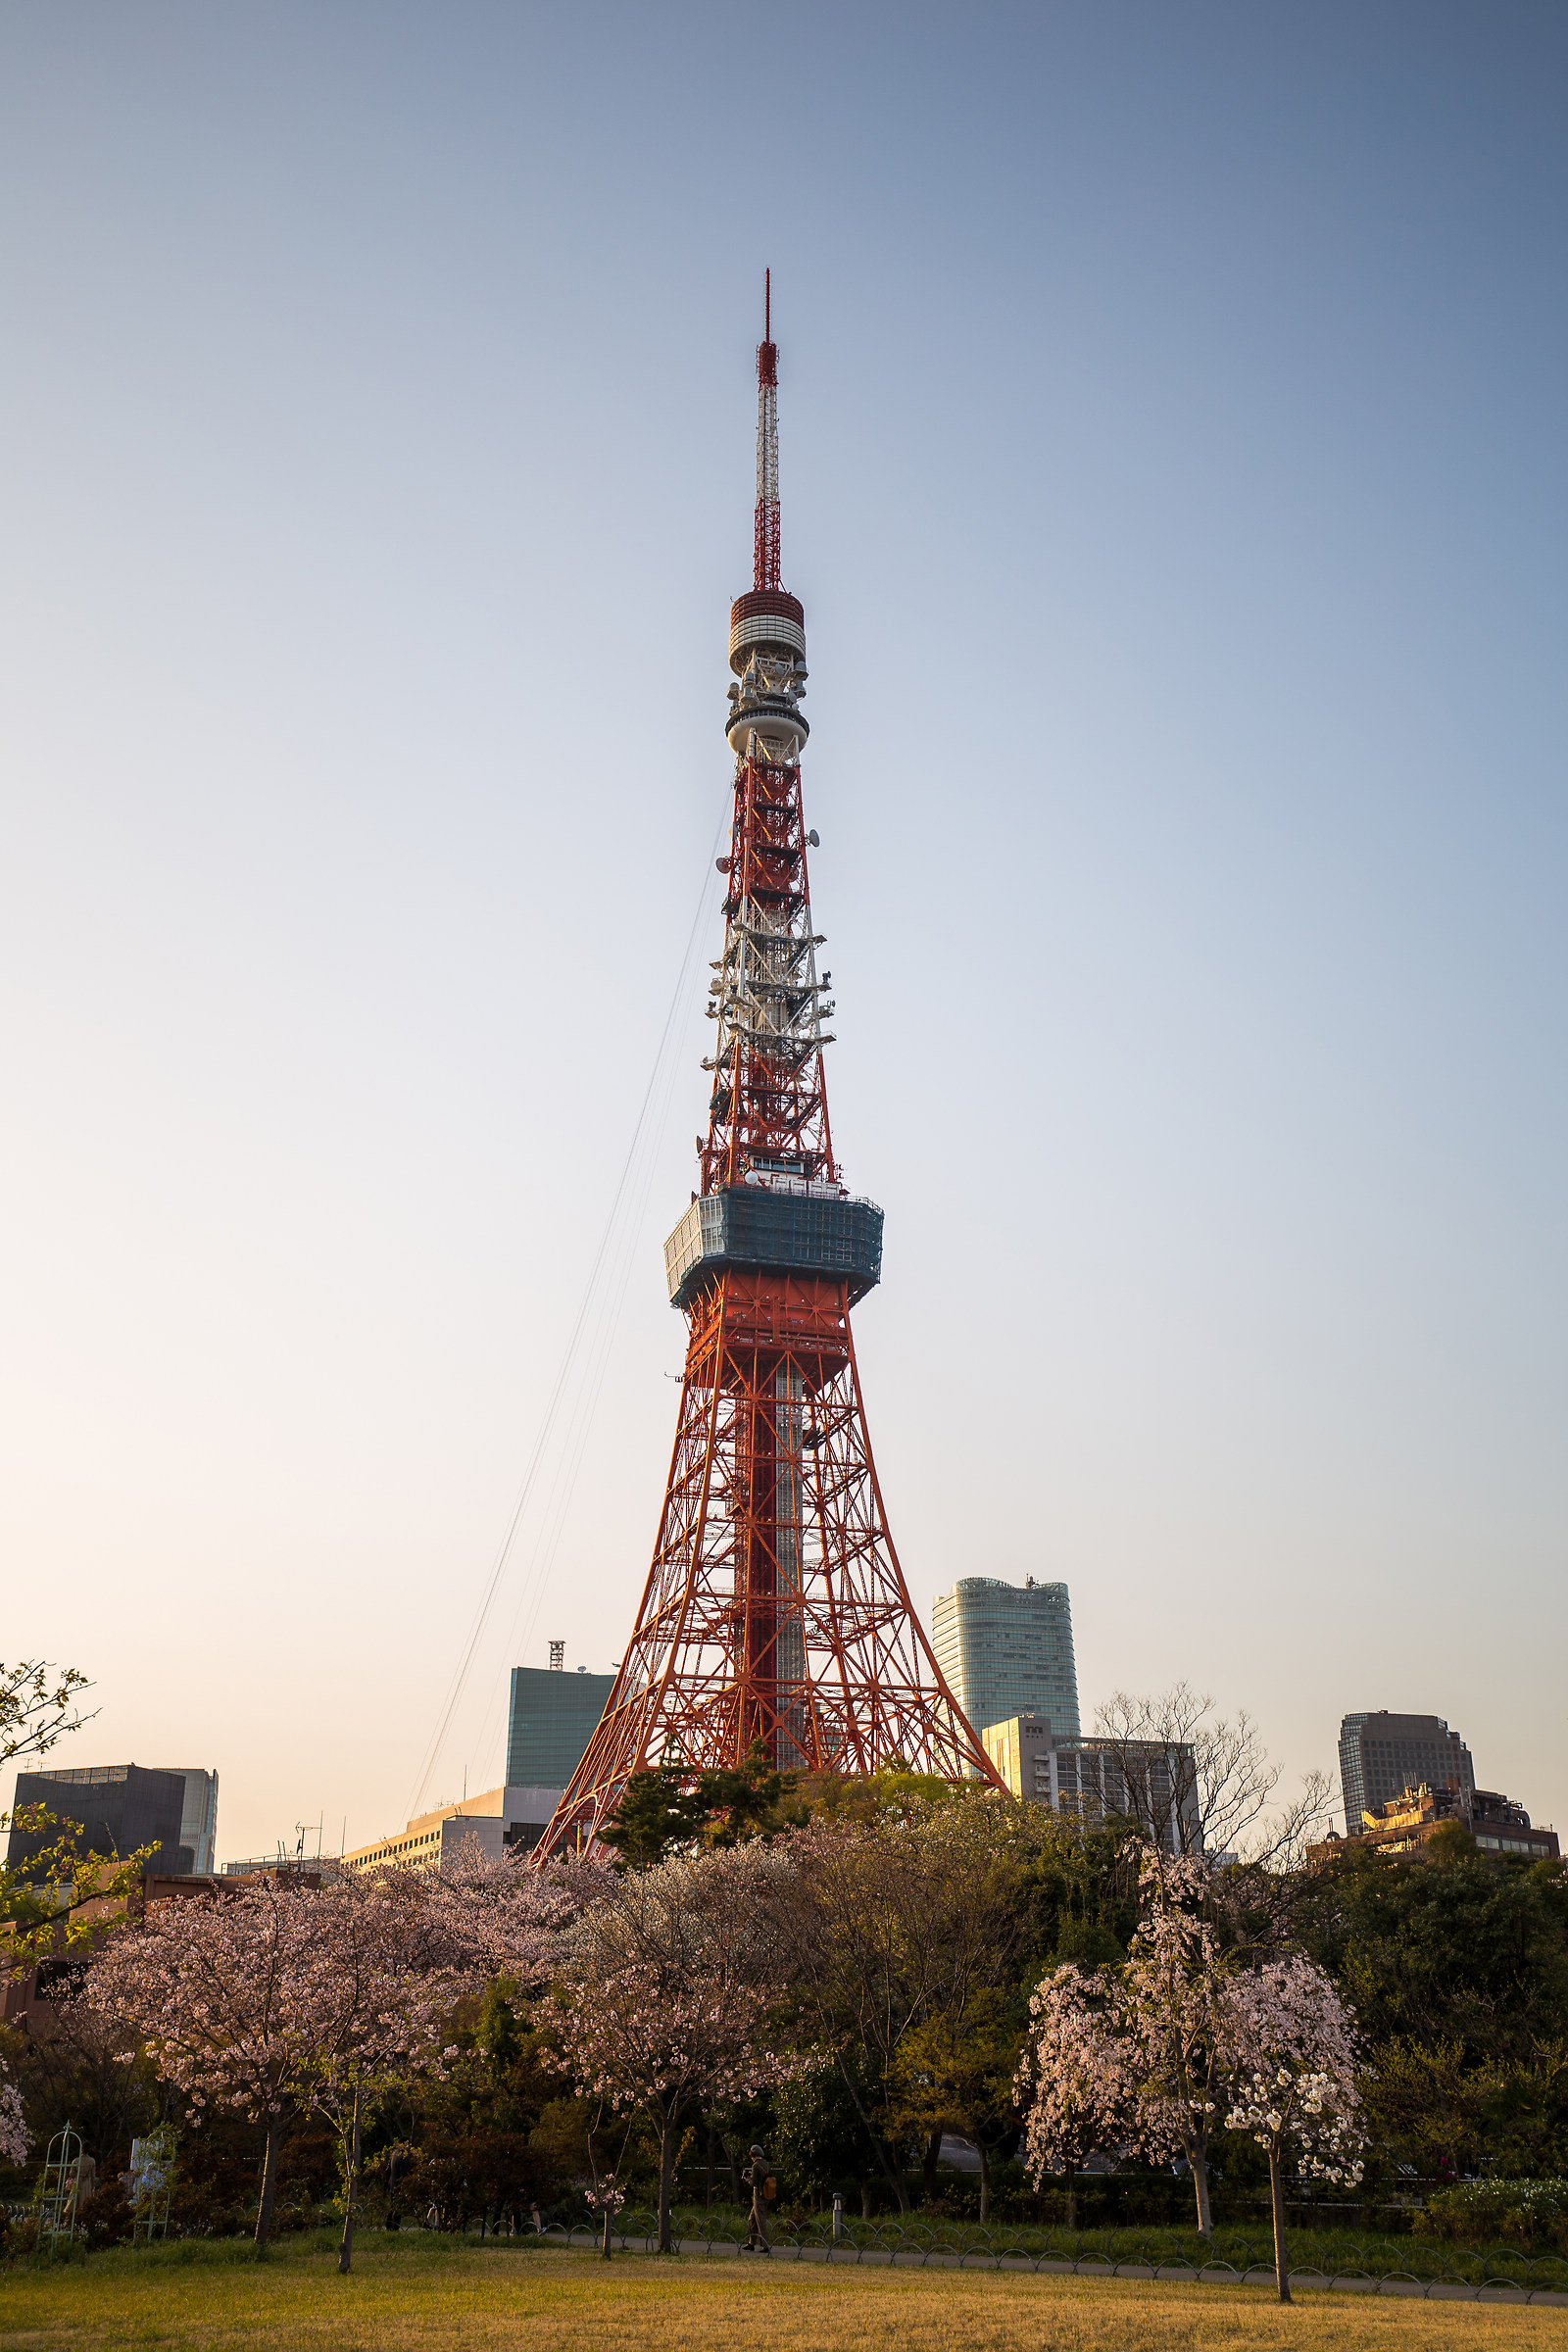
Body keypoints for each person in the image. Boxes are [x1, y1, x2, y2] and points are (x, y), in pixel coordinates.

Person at [740, 2144, 771, 2254]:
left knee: (760, 2220)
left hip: (759, 2195)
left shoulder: (756, 2165)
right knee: (752, 2219)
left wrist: (747, 2179)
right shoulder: (766, 2164)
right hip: (767, 2194)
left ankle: (765, 2245)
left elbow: (755, 2183)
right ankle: (751, 2243)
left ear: (753, 2154)